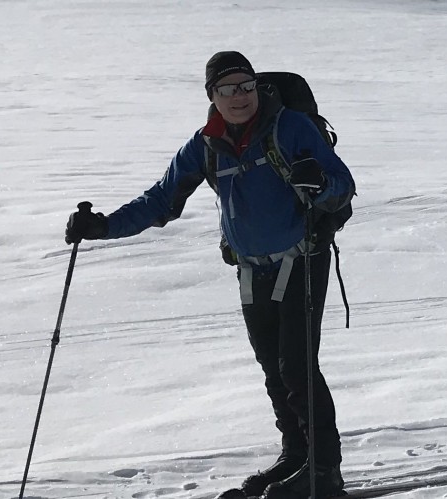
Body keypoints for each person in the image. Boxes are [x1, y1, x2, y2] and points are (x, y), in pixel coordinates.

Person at [64, 52, 355, 499]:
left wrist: (321, 183)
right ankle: (296, 455)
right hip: (251, 270)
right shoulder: (204, 145)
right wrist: (102, 227)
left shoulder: (291, 127)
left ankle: (324, 472)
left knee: (297, 368)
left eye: (246, 85)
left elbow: (342, 184)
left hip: (302, 259)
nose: (239, 96)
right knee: (274, 370)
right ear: (212, 96)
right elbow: (160, 200)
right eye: (227, 89)